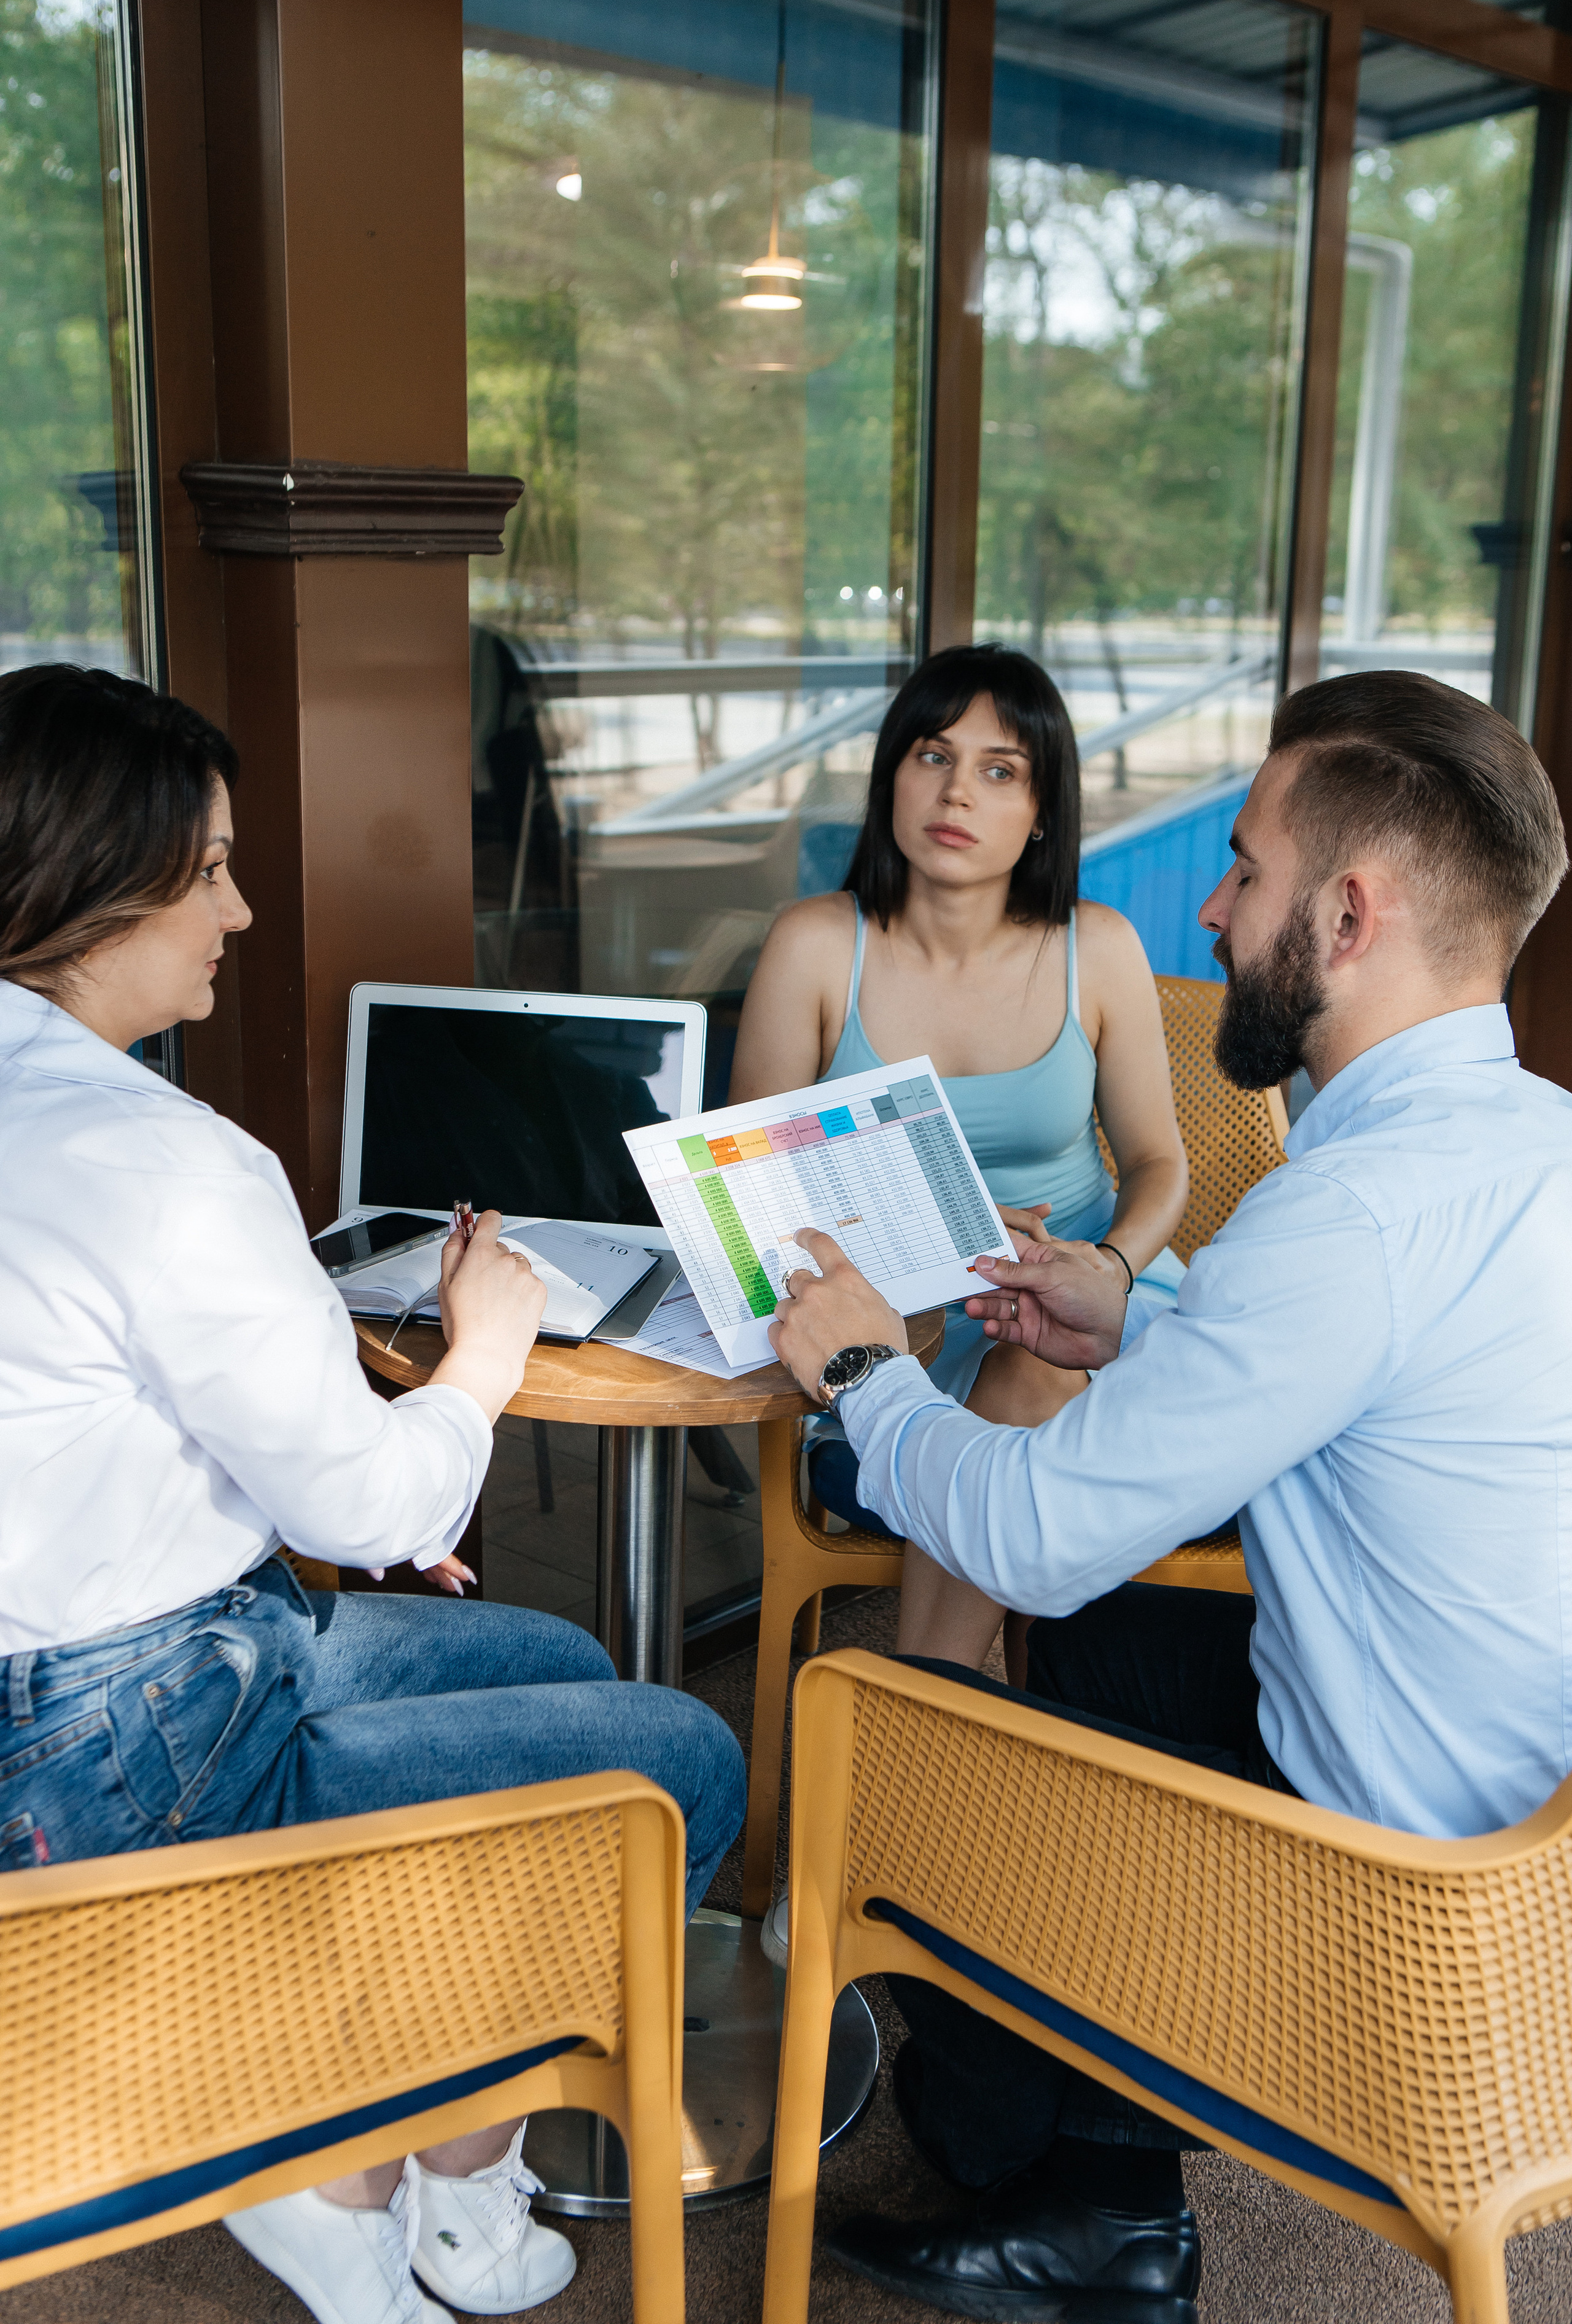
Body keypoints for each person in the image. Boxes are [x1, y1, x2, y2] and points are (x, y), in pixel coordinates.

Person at [766, 669, 1572, 2324]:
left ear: (1347, 915)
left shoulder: (1344, 1215)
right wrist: (1139, 1313)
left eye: (1247, 869)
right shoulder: (1535, 1145)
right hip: (1526, 1866)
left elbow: (1023, 1529)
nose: (1212, 906)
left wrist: (866, 1372)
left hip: (1387, 1915)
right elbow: (1369, 1374)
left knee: (892, 1711)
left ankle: (1032, 2167)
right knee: (1079, 1645)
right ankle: (1103, 2193)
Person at [0, 667, 746, 2324]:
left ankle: (436, 2162)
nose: (242, 909)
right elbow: (353, 1505)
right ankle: (349, 2158)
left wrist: (379, 1495)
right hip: (133, 1738)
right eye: (206, 867)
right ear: (86, 884)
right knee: (680, 1761)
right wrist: (477, 1356)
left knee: (560, 1671)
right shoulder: (166, 1161)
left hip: (151, 1652)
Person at [730, 642, 1188, 1683]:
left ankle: (920, 1717)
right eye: (932, 756)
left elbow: (1161, 1163)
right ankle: (946, 1724)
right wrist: (952, 1239)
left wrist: (1101, 1267)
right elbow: (754, 1186)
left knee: (1036, 1362)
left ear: (1042, 812)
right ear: (893, 773)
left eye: (1000, 769)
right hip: (887, 1322)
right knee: (1017, 1408)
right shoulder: (813, 943)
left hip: (1079, 1306)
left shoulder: (1098, 946)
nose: (955, 792)